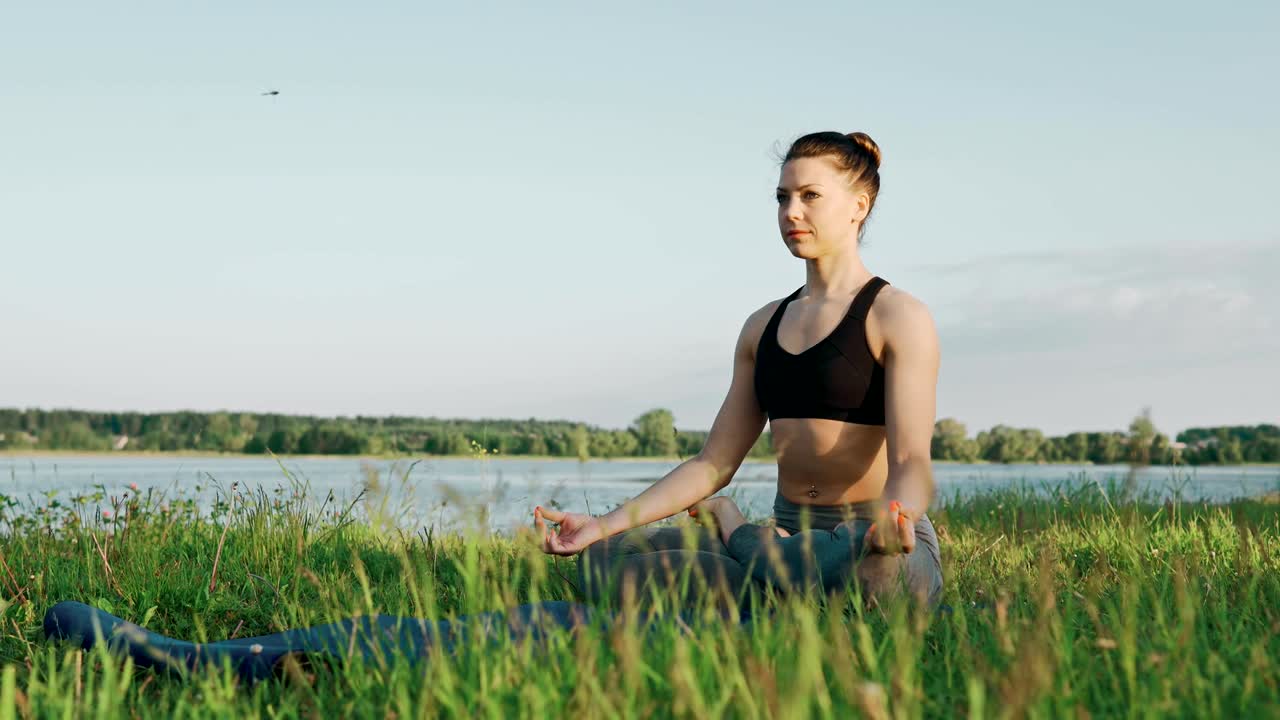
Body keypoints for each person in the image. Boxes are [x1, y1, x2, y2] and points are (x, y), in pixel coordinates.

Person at [533, 131, 943, 614]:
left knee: (879, 576)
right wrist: (601, 525)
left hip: (865, 541)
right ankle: (775, 573)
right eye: (783, 197)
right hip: (790, 534)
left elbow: (911, 461)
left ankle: (745, 546)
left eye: (810, 196)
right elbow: (713, 464)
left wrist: (896, 518)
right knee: (604, 558)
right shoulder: (762, 326)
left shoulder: (897, 316)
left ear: (859, 205)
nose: (791, 212)